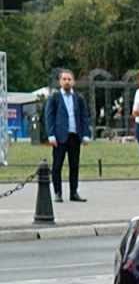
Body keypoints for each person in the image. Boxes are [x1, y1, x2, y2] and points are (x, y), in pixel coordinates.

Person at [44, 69, 91, 203]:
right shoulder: (55, 98)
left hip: (74, 136)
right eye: (64, 79)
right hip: (59, 137)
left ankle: (73, 192)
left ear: (73, 82)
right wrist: (51, 135)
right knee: (57, 165)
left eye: (69, 79)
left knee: (74, 165)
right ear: (60, 82)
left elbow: (84, 117)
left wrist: (85, 134)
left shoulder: (79, 98)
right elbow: (49, 117)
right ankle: (58, 192)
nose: (67, 82)